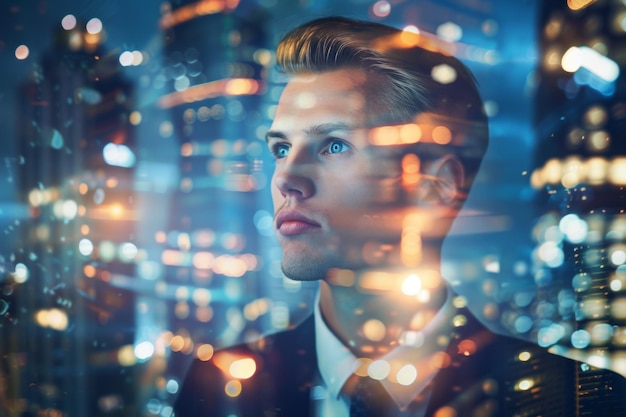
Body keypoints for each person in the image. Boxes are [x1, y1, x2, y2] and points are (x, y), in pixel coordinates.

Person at [173, 16, 626, 417]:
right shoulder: (214, 390)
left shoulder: (579, 401)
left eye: (333, 145)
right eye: (281, 148)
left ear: (437, 185)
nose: (286, 179)